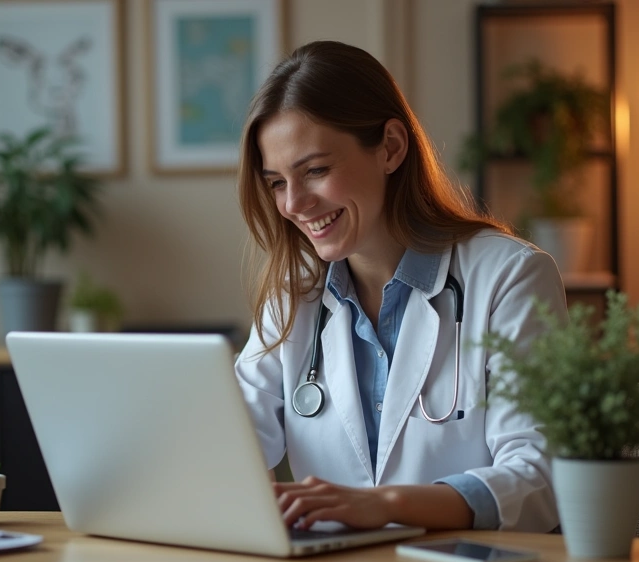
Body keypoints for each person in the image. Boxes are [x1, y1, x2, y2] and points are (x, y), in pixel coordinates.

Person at [234, 40, 566, 534]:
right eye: (277, 182)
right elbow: (228, 448)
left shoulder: (509, 276)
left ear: (391, 147)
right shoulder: (294, 297)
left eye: (316, 171)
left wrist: (387, 504)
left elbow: (540, 480)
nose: (294, 204)